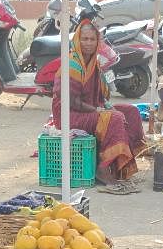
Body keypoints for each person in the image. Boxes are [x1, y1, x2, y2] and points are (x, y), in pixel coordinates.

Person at [53, 19, 147, 195]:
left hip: (90, 108)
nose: (88, 43)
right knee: (114, 118)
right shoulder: (71, 63)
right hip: (69, 113)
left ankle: (120, 167)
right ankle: (103, 169)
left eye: (92, 39)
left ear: (98, 42)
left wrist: (107, 106)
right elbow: (70, 101)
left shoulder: (94, 63)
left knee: (131, 112)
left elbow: (100, 97)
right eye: (84, 39)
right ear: (77, 40)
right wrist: (98, 111)